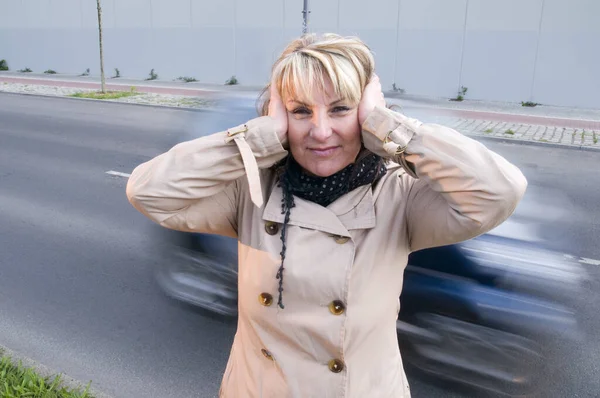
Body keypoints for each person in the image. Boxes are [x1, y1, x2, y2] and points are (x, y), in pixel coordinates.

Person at [126, 33, 527, 398]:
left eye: (340, 109)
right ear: (278, 118)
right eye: (300, 111)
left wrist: (390, 127)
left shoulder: (398, 196)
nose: (320, 132)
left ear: (365, 115)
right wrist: (257, 138)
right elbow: (148, 193)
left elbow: (498, 193)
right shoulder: (252, 191)